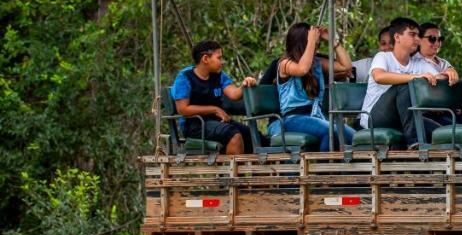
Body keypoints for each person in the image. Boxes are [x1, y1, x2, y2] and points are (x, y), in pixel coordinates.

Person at [272, 22, 355, 151]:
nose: (316, 47)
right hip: (293, 119)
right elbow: (302, 69)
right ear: (302, 42)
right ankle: (324, 169)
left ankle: (324, 169)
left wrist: (333, 42)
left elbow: (346, 66)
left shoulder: (317, 63)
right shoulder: (284, 64)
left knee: (352, 136)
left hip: (316, 117)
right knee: (332, 131)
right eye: (315, 44)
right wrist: (311, 41)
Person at [359, 17, 439, 146]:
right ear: (397, 37)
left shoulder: (419, 63)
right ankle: (414, 144)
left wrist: (448, 72)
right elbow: (379, 76)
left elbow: (438, 78)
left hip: (406, 117)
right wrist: (413, 77)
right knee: (405, 86)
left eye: (418, 36)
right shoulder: (383, 57)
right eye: (412, 35)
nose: (418, 40)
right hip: (375, 118)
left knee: (441, 132)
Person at [171, 40, 257, 155]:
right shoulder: (185, 78)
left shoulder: (219, 75)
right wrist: (214, 109)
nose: (222, 62)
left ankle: (253, 172)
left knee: (252, 135)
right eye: (219, 58)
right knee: (233, 134)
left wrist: (245, 84)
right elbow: (183, 109)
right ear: (205, 59)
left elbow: (234, 94)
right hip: (195, 125)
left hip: (218, 122)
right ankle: (233, 172)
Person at [414, 21, 460, 86]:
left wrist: (452, 73)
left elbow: (455, 78)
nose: (437, 43)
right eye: (432, 38)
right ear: (419, 40)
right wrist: (447, 75)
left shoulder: (444, 63)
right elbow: (437, 80)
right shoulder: (413, 61)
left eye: (440, 39)